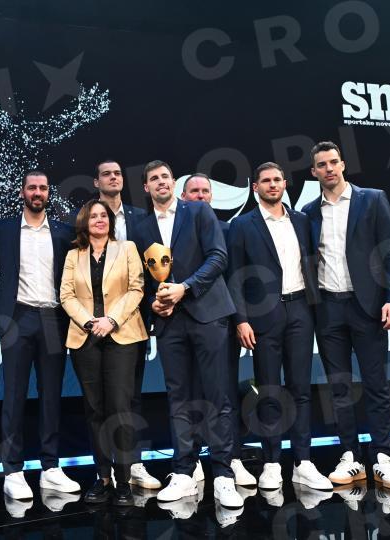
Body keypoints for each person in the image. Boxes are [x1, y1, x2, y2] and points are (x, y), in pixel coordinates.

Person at [134, 160, 242, 509]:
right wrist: (154, 302)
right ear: (146, 187)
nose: (161, 182)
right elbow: (139, 277)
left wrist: (185, 288)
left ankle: (223, 474)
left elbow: (218, 257)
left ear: (173, 182)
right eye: (154, 178)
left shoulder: (197, 211)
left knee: (217, 395)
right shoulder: (140, 225)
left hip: (208, 313)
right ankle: (183, 471)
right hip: (169, 322)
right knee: (178, 397)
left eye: (165, 176)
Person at [301, 141, 390, 489]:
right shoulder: (308, 212)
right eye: (322, 164)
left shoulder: (372, 199)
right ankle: (350, 456)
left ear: (343, 164)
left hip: (368, 307)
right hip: (328, 309)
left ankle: (383, 457)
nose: (329, 168)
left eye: (333, 162)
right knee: (339, 387)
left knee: (376, 385)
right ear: (314, 172)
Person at [227, 161, 333, 492]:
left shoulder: (301, 220)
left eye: (277, 180)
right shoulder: (242, 225)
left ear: (285, 184)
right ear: (255, 187)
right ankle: (272, 463)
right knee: (270, 390)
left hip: (300, 310)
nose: (272, 185)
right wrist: (241, 319)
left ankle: (303, 462)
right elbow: (234, 276)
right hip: (262, 317)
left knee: (300, 389)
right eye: (265, 181)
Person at [0, 171, 80, 499]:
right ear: (22, 192)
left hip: (53, 319)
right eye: (32, 187)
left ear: (48, 193)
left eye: (43, 188)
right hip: (17, 317)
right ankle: (12, 470)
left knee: (51, 396)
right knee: (13, 396)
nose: (37, 192)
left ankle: (50, 467)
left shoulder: (63, 232)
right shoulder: (3, 229)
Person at [60, 199, 147, 506]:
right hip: (85, 338)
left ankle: (123, 480)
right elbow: (66, 294)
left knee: (120, 407)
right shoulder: (74, 255)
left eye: (104, 216)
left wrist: (111, 320)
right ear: (84, 222)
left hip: (122, 335)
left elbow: (137, 288)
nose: (99, 220)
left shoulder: (127, 248)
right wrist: (89, 321)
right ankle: (103, 477)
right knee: (95, 409)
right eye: (93, 216)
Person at [180, 173, 256, 487]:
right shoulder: (173, 232)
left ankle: (232, 457)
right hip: (183, 324)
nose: (200, 196)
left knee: (223, 393)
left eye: (205, 191)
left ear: (212, 196)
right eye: (194, 191)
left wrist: (239, 319)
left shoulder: (228, 230)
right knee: (190, 393)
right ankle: (193, 458)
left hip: (221, 323)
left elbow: (236, 279)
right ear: (183, 198)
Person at [92, 160, 160, 490]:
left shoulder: (141, 219)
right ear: (96, 182)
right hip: (94, 323)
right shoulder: (86, 217)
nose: (113, 178)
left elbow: (153, 268)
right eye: (106, 174)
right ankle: (104, 470)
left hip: (133, 319)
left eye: (118, 173)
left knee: (131, 396)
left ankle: (133, 464)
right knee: (99, 400)